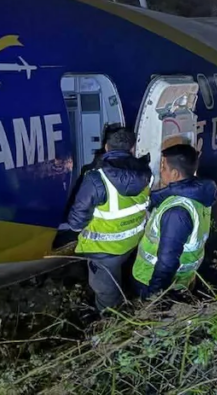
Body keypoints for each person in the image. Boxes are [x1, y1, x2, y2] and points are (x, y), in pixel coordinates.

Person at [64, 127, 152, 312]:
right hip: (132, 243)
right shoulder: (146, 173)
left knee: (107, 297)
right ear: (132, 148)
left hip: (103, 251)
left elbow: (75, 222)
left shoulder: (96, 178)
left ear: (106, 147)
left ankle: (112, 322)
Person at [133, 143, 217, 299]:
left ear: (175, 174)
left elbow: (167, 261)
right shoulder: (199, 195)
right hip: (183, 280)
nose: (161, 171)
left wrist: (155, 295)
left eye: (163, 167)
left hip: (152, 280)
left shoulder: (177, 212)